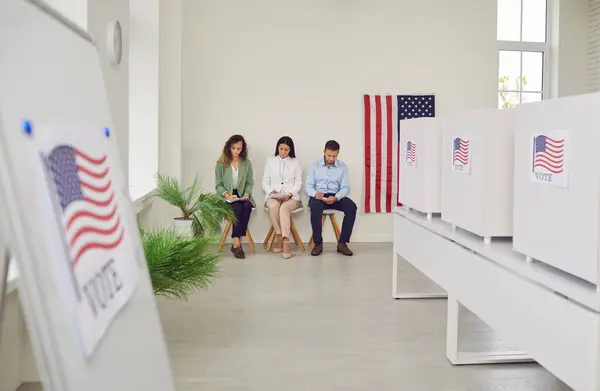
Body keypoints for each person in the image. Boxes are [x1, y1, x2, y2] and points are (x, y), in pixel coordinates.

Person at [305, 140, 357, 256]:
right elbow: (308, 186)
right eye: (329, 155)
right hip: (319, 196)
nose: (331, 159)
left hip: (335, 196)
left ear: (338, 154)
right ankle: (318, 243)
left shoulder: (342, 166)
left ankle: (342, 243)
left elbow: (345, 187)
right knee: (315, 208)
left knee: (352, 207)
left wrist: (336, 197)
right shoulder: (314, 165)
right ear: (324, 152)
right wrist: (315, 194)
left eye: (334, 156)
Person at [261, 136, 303, 259]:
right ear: (277, 148)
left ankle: (285, 242)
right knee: (274, 206)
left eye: (286, 149)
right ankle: (279, 235)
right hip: (273, 196)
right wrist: (271, 192)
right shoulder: (270, 161)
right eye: (281, 149)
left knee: (284, 208)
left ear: (290, 150)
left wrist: (289, 194)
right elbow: (264, 182)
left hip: (291, 197)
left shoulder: (296, 162)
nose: (283, 152)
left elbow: (298, 183)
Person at [215, 134, 256, 259]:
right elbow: (218, 185)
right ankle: (237, 244)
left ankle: (236, 238)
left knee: (247, 206)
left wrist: (247, 194)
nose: (236, 151)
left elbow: (249, 183)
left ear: (242, 149)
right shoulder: (221, 163)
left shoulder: (246, 163)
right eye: (233, 148)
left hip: (242, 195)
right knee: (237, 209)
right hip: (227, 196)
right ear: (229, 147)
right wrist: (226, 194)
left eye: (239, 148)